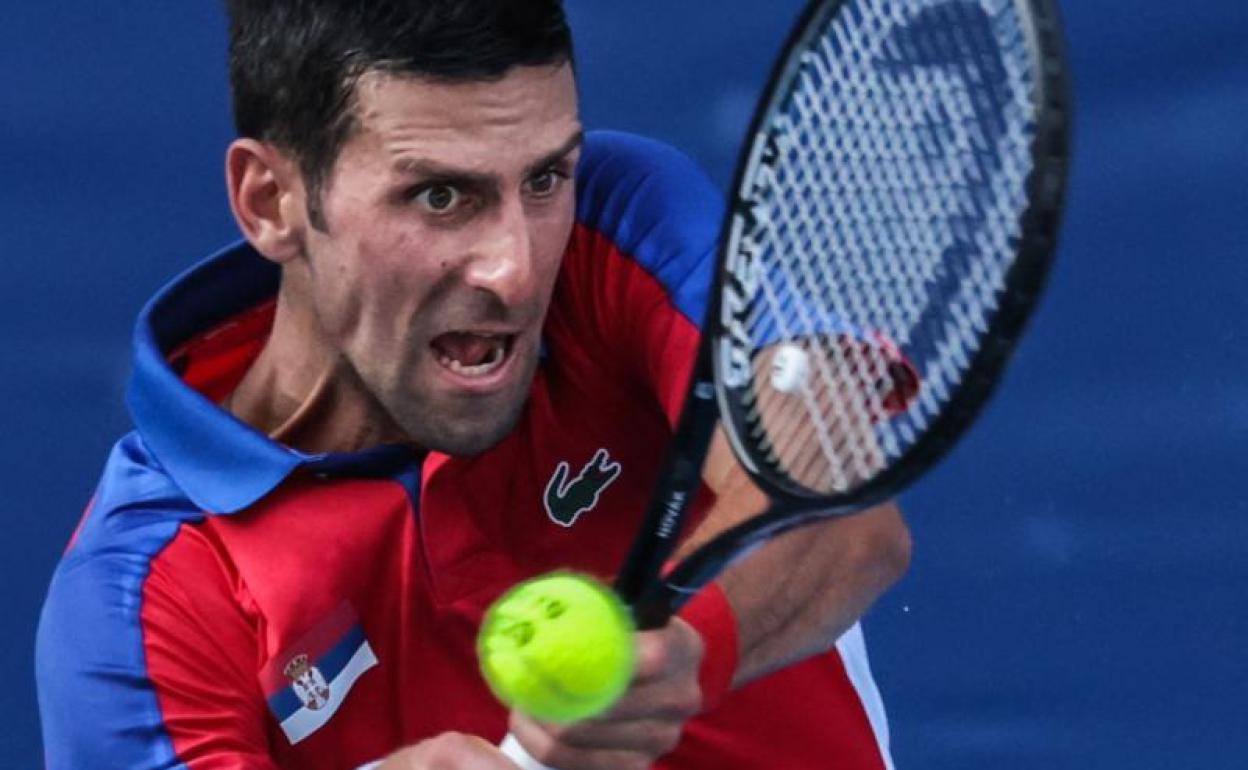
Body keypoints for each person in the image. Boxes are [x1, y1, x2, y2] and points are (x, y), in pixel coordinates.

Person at [35, 2, 912, 768]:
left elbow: (838, 508)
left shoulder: (617, 227)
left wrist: (695, 649)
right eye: (440, 197)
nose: (517, 270)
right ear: (271, 202)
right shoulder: (138, 604)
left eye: (544, 178)